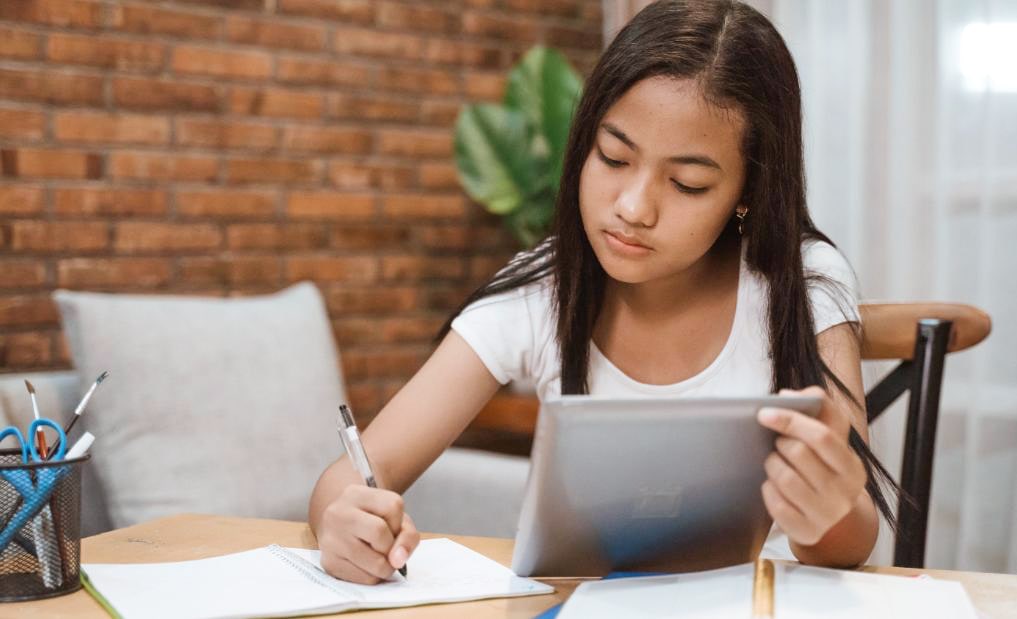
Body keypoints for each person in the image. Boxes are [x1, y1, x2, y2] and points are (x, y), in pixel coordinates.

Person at [308, 0, 896, 585]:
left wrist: (831, 507)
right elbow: (352, 476)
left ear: (749, 190)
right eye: (613, 156)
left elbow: (849, 546)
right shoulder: (544, 287)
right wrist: (346, 522)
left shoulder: (803, 283)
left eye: (688, 184)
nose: (633, 208)